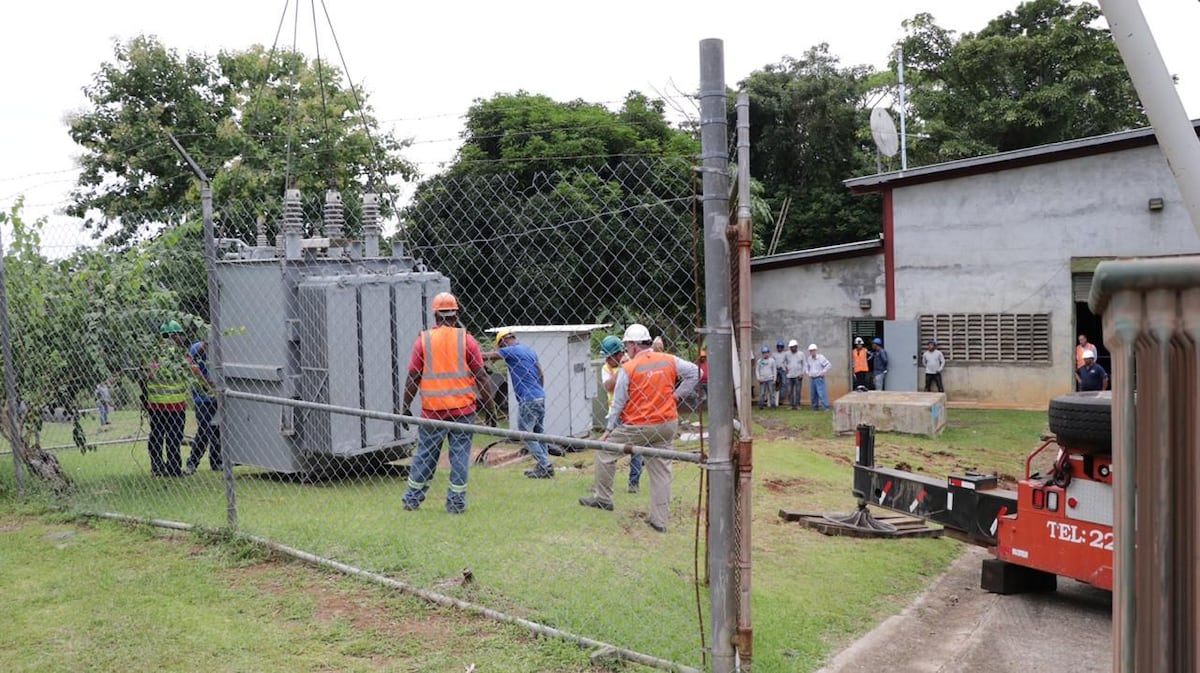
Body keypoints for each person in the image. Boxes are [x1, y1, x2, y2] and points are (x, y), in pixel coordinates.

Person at [580, 323, 699, 533]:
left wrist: (608, 430)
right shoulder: (669, 359)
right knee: (661, 470)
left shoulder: (629, 367)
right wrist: (677, 395)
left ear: (634, 345)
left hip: (639, 425)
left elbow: (618, 402)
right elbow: (694, 373)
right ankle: (659, 521)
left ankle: (603, 498)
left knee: (605, 451)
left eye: (627, 346)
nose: (626, 350)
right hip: (667, 423)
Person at [400, 292, 491, 514]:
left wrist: (405, 406)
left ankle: (412, 499)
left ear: (435, 315)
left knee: (425, 455)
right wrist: (491, 411)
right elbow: (482, 377)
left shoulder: (424, 340)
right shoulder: (467, 340)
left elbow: (413, 377)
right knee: (460, 456)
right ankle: (456, 504)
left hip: (432, 411)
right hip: (463, 410)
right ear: (455, 314)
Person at [485, 328, 554, 479]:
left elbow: (488, 356)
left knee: (525, 433)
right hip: (539, 396)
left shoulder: (511, 350)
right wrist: (537, 390)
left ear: (503, 342)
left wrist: (467, 351)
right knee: (538, 433)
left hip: (528, 400)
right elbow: (541, 373)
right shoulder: (529, 351)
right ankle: (545, 464)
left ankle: (545, 465)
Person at [144, 321, 190, 477]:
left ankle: (157, 467)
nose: (182, 338)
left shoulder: (153, 353)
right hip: (175, 405)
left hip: (156, 404)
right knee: (174, 437)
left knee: (156, 435)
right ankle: (174, 469)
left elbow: (148, 375)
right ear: (173, 335)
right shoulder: (179, 355)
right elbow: (191, 371)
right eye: (180, 334)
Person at [599, 335, 641, 493]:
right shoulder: (607, 368)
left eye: (609, 357)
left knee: (635, 451)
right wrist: (622, 370)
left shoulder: (634, 363)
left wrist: (628, 366)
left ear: (618, 354)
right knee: (608, 449)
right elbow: (608, 387)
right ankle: (604, 483)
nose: (607, 360)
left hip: (633, 414)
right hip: (615, 415)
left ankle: (634, 483)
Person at [185, 340, 222, 474]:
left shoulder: (220, 346)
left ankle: (216, 462)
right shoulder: (197, 348)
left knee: (216, 429)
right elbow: (191, 365)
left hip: (216, 397)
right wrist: (207, 384)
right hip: (202, 398)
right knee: (205, 431)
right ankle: (192, 463)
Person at [804, 344, 832, 410]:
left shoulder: (821, 358)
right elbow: (806, 366)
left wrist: (823, 372)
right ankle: (815, 408)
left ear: (815, 350)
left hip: (819, 378)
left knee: (822, 393)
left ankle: (826, 407)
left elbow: (828, 365)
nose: (812, 352)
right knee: (813, 394)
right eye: (810, 351)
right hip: (812, 378)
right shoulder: (809, 358)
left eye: (813, 351)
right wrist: (808, 372)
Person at [782, 339, 805, 409]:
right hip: (789, 376)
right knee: (789, 391)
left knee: (798, 391)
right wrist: (785, 368)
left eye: (794, 347)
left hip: (798, 376)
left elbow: (804, 364)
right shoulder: (787, 354)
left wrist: (802, 373)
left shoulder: (801, 354)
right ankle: (791, 405)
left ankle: (798, 405)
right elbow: (783, 362)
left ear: (796, 346)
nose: (792, 348)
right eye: (791, 347)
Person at [756, 346, 777, 411]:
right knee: (762, 393)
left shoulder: (772, 361)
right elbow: (757, 370)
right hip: (762, 380)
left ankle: (773, 405)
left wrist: (774, 379)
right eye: (764, 353)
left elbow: (774, 370)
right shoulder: (759, 361)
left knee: (771, 393)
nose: (765, 354)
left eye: (766, 353)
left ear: (768, 353)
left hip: (770, 379)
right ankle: (761, 406)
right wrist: (758, 378)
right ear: (762, 354)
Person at [773, 340, 787, 406]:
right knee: (775, 384)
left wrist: (787, 368)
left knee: (784, 383)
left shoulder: (785, 354)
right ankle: (775, 399)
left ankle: (781, 399)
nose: (780, 348)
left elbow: (787, 361)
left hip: (782, 370)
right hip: (776, 370)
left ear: (783, 347)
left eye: (781, 347)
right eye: (778, 347)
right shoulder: (774, 354)